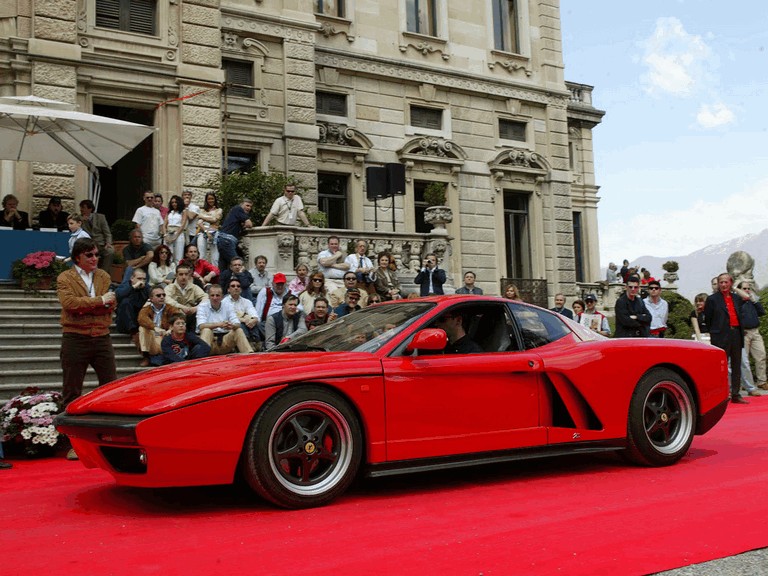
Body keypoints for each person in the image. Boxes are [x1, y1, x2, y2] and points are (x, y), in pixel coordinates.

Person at [57, 238, 117, 460]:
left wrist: (92, 306)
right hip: (75, 338)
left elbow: (112, 305)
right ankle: (73, 444)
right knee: (72, 390)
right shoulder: (65, 277)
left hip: (102, 336)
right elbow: (70, 305)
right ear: (77, 258)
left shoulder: (103, 276)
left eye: (96, 255)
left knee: (110, 387)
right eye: (89, 255)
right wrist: (99, 301)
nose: (94, 259)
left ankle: (109, 439)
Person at [705, 273, 749, 404]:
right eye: (721, 282)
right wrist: (714, 332)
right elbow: (708, 318)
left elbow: (747, 297)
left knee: (736, 364)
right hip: (720, 335)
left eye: (726, 282)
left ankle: (736, 394)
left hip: (736, 334)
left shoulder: (736, 298)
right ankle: (721, 394)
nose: (723, 285)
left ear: (731, 283)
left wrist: (735, 289)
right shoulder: (712, 299)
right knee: (721, 366)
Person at [196, 284, 252, 355]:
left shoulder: (228, 306)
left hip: (225, 341)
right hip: (210, 342)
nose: (215, 298)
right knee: (206, 330)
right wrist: (219, 324)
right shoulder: (202, 307)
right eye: (212, 295)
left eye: (217, 295)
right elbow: (201, 326)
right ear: (208, 296)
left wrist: (232, 326)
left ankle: (249, 356)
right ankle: (201, 359)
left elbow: (237, 323)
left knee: (238, 330)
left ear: (222, 297)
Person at [137, 286, 180, 366]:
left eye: (163, 295)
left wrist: (170, 329)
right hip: (152, 339)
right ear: (151, 298)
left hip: (165, 338)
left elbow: (178, 317)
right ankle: (146, 356)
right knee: (142, 328)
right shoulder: (146, 309)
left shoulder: (170, 308)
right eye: (158, 295)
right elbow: (141, 319)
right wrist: (155, 328)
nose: (162, 297)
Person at [736, 279, 766, 390]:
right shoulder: (738, 302)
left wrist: (755, 301)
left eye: (748, 288)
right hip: (744, 333)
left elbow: (762, 312)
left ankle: (761, 381)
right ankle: (745, 383)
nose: (747, 290)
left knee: (761, 356)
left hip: (755, 332)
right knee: (744, 361)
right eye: (744, 288)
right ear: (739, 289)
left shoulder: (752, 301)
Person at [164, 263, 208, 329]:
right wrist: (181, 307)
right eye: (181, 274)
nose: (184, 277)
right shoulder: (169, 288)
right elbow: (166, 299)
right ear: (176, 275)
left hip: (190, 317)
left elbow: (206, 298)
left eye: (186, 274)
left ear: (189, 275)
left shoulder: (194, 287)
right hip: (174, 317)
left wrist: (197, 307)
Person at [216, 197, 253, 271]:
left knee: (223, 267)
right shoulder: (238, 209)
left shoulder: (235, 212)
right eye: (247, 205)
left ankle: (223, 282)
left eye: (250, 206)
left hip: (223, 240)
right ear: (241, 205)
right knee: (237, 264)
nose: (249, 208)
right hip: (227, 241)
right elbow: (249, 224)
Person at [223, 277, 261, 348]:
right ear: (228, 290)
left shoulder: (247, 302)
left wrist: (254, 320)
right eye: (233, 286)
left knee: (254, 322)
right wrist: (243, 320)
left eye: (238, 286)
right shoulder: (224, 302)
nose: (236, 288)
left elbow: (254, 313)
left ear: (240, 290)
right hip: (231, 327)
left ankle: (257, 343)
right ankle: (248, 344)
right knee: (240, 324)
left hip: (248, 325)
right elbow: (227, 318)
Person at [114, 267, 150, 340]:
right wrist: (133, 287)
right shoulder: (124, 286)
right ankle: (133, 331)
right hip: (125, 323)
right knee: (126, 301)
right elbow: (118, 296)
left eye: (144, 279)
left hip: (139, 321)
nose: (142, 281)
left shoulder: (147, 288)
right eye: (139, 278)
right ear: (132, 278)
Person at [80, 199, 114, 272]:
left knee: (110, 251)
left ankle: (103, 273)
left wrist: (108, 243)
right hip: (88, 245)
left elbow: (107, 233)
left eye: (83, 207)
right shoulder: (79, 219)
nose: (81, 209)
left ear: (90, 209)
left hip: (101, 244)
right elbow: (77, 231)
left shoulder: (100, 217)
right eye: (81, 207)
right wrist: (82, 222)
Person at [196, 192, 222, 266]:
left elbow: (214, 219)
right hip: (203, 232)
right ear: (206, 200)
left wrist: (203, 217)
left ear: (215, 199)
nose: (210, 200)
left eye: (212, 199)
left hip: (214, 232)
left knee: (215, 256)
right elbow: (199, 222)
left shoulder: (219, 210)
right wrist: (206, 231)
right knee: (201, 255)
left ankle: (215, 273)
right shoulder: (202, 210)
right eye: (209, 199)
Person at [162, 194, 188, 262]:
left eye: (175, 202)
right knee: (168, 255)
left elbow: (182, 225)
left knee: (178, 256)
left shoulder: (183, 211)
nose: (174, 204)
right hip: (168, 233)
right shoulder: (169, 212)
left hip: (178, 234)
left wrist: (175, 236)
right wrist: (165, 235)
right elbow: (164, 225)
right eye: (172, 202)